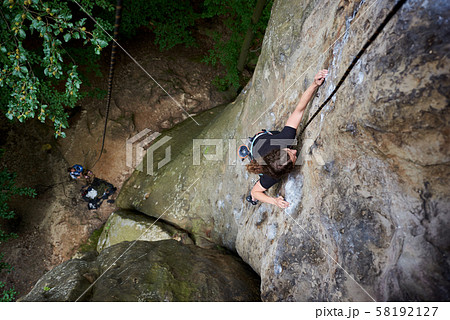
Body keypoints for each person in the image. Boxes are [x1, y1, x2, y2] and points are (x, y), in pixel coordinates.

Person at [246, 69, 328, 208]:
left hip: (261, 140)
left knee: (274, 135)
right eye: (293, 156)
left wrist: (315, 84)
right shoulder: (272, 176)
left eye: (290, 152)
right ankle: (251, 196)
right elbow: (256, 191)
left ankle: (249, 152)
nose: (295, 152)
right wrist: (274, 201)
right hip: (258, 144)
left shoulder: (285, 139)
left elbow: (299, 110)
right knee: (256, 191)